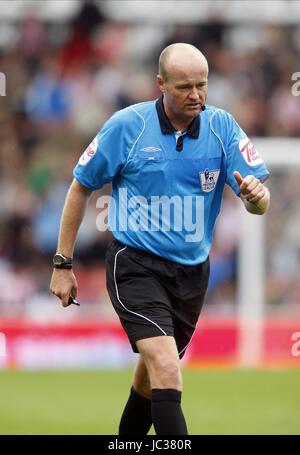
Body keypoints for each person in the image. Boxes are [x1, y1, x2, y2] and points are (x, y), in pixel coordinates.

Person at [50, 43, 270, 435]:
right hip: (135, 265)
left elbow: (260, 201)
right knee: (168, 368)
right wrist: (62, 263)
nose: (196, 95)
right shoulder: (127, 127)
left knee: (148, 381)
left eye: (202, 85)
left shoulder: (222, 128)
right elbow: (80, 186)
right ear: (160, 84)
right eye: (185, 86)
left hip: (191, 274)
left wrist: (257, 198)